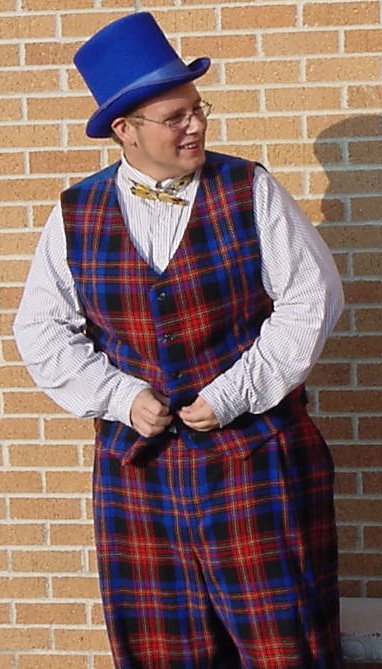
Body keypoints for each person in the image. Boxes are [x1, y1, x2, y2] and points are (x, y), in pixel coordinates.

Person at [12, 12, 344, 668]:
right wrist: (121, 396)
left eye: (197, 110)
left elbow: (313, 299)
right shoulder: (76, 213)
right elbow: (41, 329)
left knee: (284, 646)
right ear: (124, 129)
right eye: (175, 117)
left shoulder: (248, 188)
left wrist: (233, 393)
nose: (195, 126)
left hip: (254, 460)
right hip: (140, 476)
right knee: (161, 650)